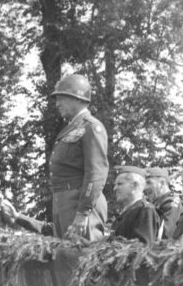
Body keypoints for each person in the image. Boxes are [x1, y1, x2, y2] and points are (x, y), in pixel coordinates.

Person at [49, 73, 109, 240]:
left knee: (79, 260)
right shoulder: (72, 127)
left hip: (80, 204)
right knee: (64, 259)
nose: (57, 104)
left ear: (77, 98)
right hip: (64, 203)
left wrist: (83, 212)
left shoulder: (91, 127)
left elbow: (96, 173)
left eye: (61, 98)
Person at [110, 166, 160, 244]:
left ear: (135, 185)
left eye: (120, 184)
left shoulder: (145, 210)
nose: (115, 188)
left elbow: (141, 249)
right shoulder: (128, 210)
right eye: (115, 184)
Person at [144, 167, 182, 240]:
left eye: (149, 183)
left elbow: (166, 235)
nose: (145, 187)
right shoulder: (155, 203)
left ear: (162, 183)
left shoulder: (170, 202)